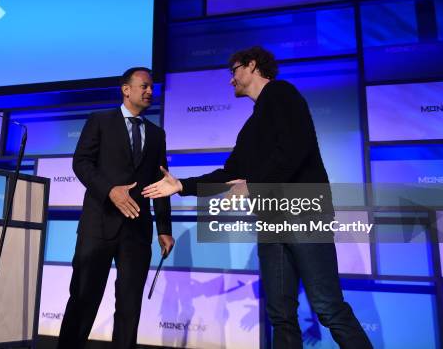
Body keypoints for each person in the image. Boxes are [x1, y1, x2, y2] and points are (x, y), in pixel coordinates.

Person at [142, 47, 372, 349]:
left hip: (303, 212)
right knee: (280, 313)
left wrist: (255, 185)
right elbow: (229, 174)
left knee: (328, 306)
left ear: (251, 66)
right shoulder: (251, 127)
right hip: (272, 218)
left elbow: (294, 149)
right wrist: (181, 186)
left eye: (234, 70)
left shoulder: (282, 93)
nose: (231, 79)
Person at [57, 67, 175, 349]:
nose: (150, 91)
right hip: (98, 225)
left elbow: (162, 181)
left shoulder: (157, 134)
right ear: (126, 89)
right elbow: (81, 163)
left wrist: (164, 229)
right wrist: (110, 191)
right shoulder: (100, 120)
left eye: (152, 87)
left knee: (130, 306)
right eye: (144, 86)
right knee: (83, 299)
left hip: (137, 229)